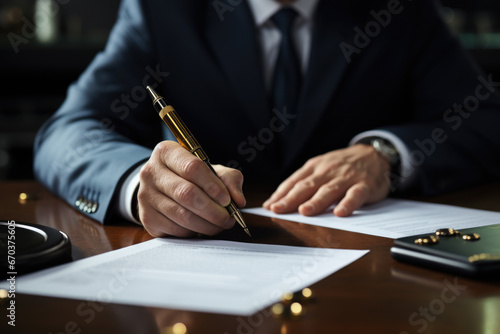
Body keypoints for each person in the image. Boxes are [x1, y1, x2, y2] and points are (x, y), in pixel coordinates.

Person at [34, 0, 500, 238]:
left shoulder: (399, 11)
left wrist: (384, 155)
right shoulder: (164, 10)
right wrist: (140, 184)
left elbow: (484, 119)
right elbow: (67, 133)